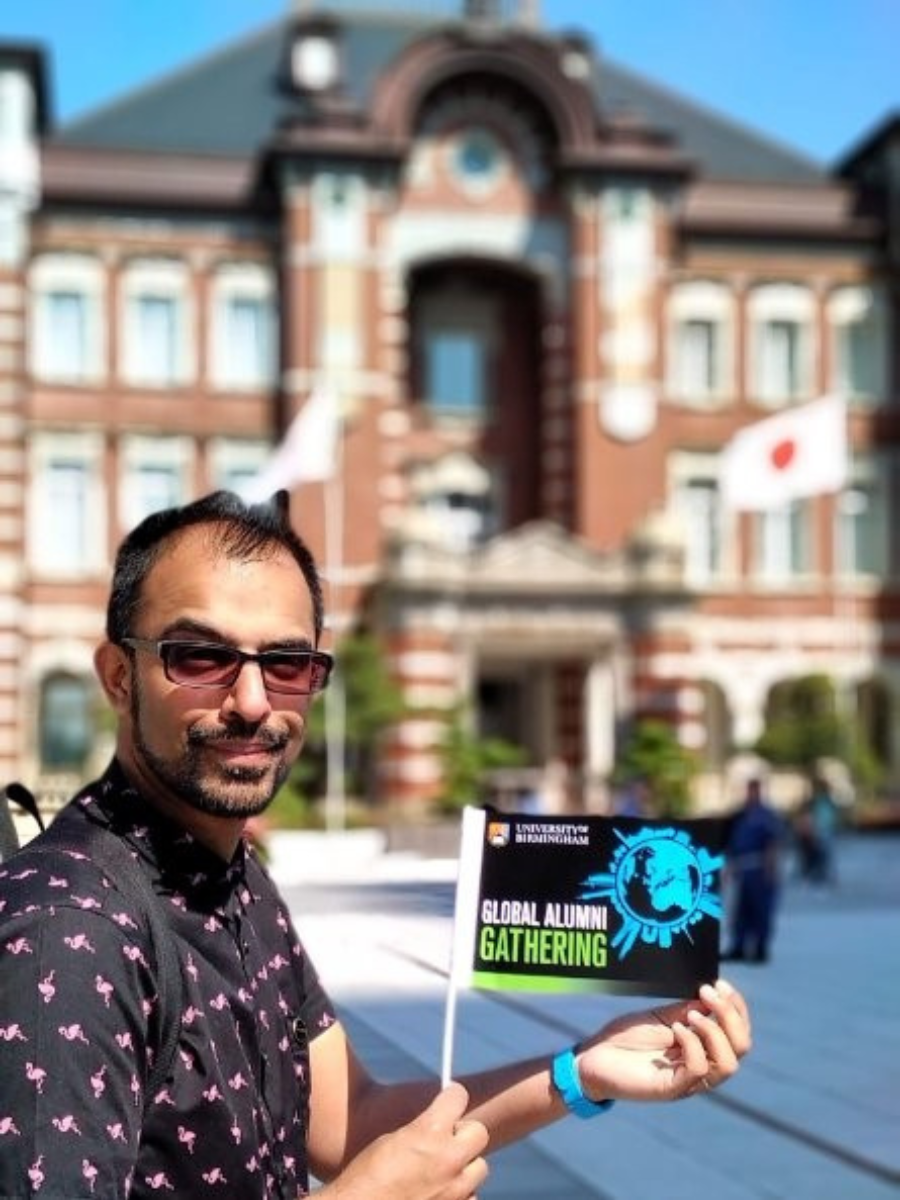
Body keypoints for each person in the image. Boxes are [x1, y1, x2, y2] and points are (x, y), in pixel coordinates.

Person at [0, 491, 752, 1199]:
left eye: (288, 663)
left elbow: (352, 1118)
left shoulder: (233, 876)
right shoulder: (68, 932)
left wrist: (580, 1072)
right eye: (200, 656)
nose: (253, 701)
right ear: (118, 676)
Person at [723, 776, 784, 964]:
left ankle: (760, 948)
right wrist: (730, 867)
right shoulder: (741, 815)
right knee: (741, 911)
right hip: (742, 868)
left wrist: (770, 868)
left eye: (754, 790)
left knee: (761, 910)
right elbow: (732, 843)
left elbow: (772, 843)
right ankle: (738, 946)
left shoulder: (765, 816)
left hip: (759, 867)